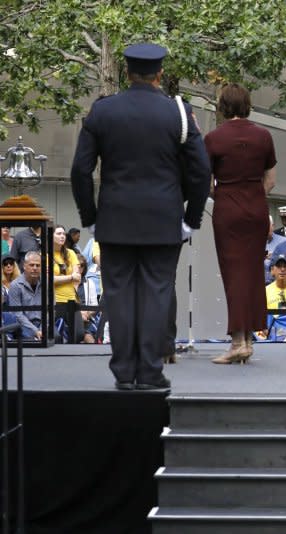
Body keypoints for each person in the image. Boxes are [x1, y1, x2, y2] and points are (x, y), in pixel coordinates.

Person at [70, 43, 211, 390]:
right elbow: (200, 169)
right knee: (157, 292)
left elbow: (80, 170)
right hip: (163, 220)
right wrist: (191, 218)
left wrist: (90, 217)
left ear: (127, 73)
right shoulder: (177, 112)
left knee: (117, 294)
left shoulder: (103, 111)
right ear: (159, 73)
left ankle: (122, 372)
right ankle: (149, 372)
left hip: (115, 220)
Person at [204, 83, 276, 363]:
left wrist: (227, 194)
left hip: (228, 211)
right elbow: (271, 180)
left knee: (233, 275)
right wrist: (253, 195)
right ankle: (248, 339)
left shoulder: (213, 138)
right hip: (256, 209)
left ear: (223, 106)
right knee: (253, 273)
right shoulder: (264, 136)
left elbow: (207, 183)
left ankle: (237, 343)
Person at [53, 225, 83, 343]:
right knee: (56, 336)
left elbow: (77, 276)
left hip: (72, 299)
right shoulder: (45, 254)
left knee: (79, 334)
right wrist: (70, 277)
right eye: (58, 234)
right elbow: (49, 279)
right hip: (55, 300)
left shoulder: (70, 253)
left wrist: (71, 280)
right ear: (51, 236)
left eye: (63, 234)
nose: (62, 236)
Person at [6, 251, 42, 340]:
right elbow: (17, 314)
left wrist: (42, 329)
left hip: (43, 324)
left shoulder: (47, 284)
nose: (35, 268)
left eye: (38, 265)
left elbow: (50, 310)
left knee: (56, 337)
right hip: (24, 324)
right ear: (24, 266)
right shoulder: (15, 285)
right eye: (31, 265)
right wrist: (35, 330)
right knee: (31, 339)